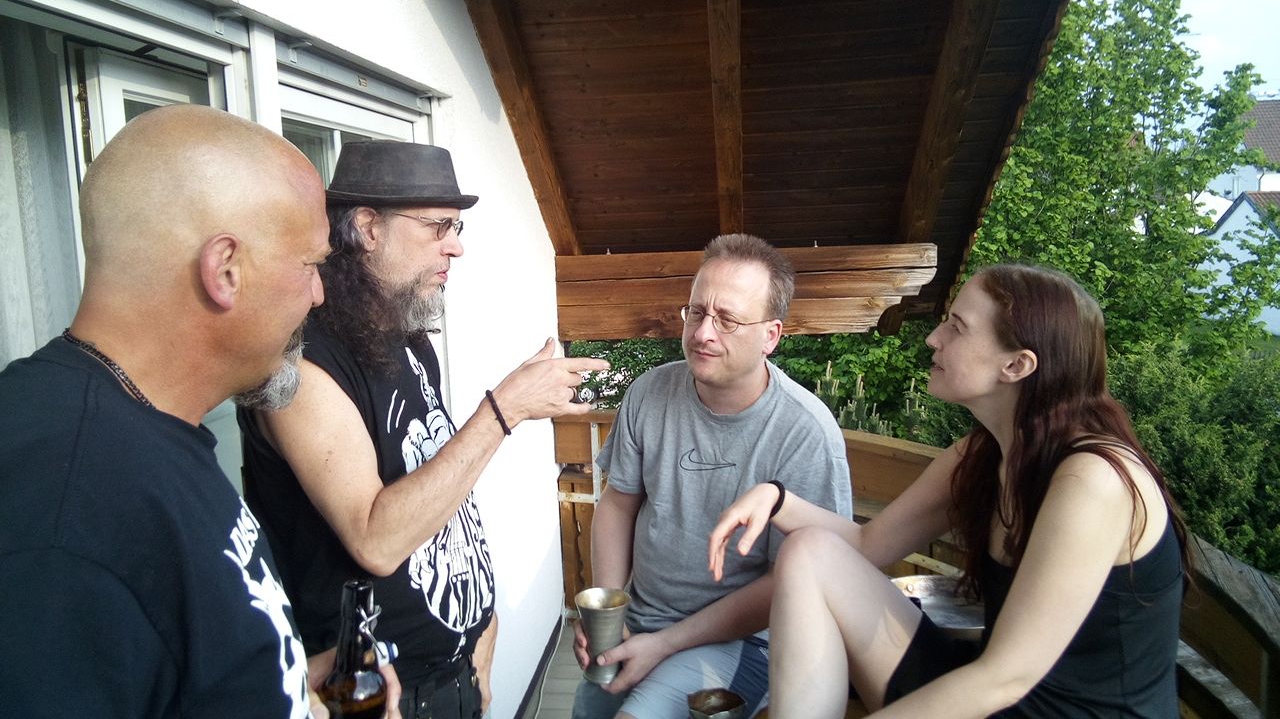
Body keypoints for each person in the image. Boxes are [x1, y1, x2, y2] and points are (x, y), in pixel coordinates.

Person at [0, 105, 390, 717]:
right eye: (312, 266)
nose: (318, 295)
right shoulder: (62, 522)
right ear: (225, 269)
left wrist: (282, 681)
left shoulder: (144, 429)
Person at [709, 264, 1190, 718]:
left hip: (1033, 701)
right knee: (809, 551)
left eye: (957, 327)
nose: (933, 338)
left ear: (1016, 365)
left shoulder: (1092, 480)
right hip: (990, 690)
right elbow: (866, 545)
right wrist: (777, 499)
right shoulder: (981, 455)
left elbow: (1006, 676)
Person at [238, 139, 608, 719]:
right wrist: (504, 409)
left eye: (456, 227)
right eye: (438, 227)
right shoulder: (303, 364)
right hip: (379, 697)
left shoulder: (405, 336)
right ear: (368, 228)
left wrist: (482, 623)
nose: (455, 246)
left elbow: (435, 481)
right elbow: (375, 540)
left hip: (455, 678)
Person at [571, 233, 855, 719]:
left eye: (728, 320)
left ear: (771, 336)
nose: (703, 332)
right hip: (640, 621)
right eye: (697, 312)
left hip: (744, 639)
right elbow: (618, 503)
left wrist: (665, 644)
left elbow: (793, 581)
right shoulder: (648, 393)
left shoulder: (805, 432)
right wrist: (609, 611)